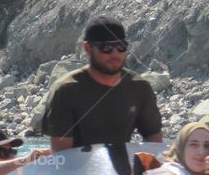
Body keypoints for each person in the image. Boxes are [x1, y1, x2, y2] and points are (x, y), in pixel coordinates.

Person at [42, 15, 163, 152]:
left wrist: (146, 164)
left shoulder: (139, 87)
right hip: (76, 170)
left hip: (122, 170)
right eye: (107, 47)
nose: (115, 53)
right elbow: (62, 156)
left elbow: (153, 136)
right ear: (87, 48)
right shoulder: (65, 91)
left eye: (121, 46)